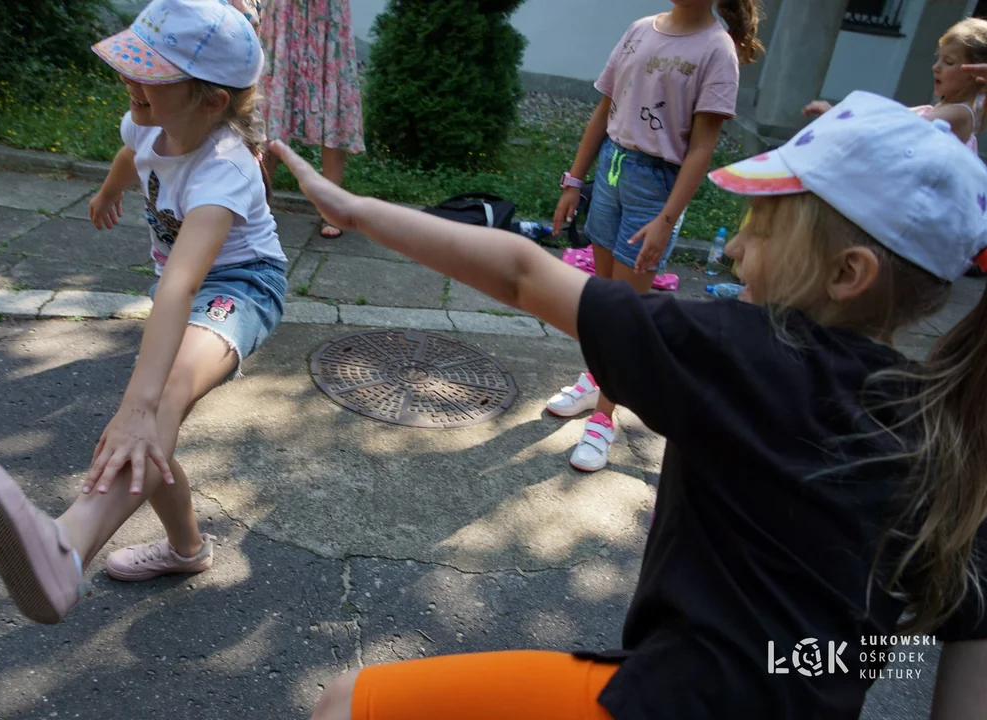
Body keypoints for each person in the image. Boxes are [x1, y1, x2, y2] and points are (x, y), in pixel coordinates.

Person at [271, 90, 987, 719]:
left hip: (669, 699)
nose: (735, 246)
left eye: (762, 230)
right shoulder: (950, 433)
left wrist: (356, 209)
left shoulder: (747, 354)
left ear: (847, 273)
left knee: (347, 705)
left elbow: (525, 275)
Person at [0, 0, 288, 625]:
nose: (131, 81)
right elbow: (134, 154)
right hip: (182, 290)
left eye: (150, 74)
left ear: (211, 101)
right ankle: (188, 549)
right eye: (131, 65)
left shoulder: (226, 169)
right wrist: (108, 191)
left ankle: (67, 546)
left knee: (153, 407)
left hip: (240, 287)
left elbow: (182, 283)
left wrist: (135, 407)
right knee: (155, 432)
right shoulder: (148, 120)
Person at [547, 0, 763, 473]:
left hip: (657, 187)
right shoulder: (639, 29)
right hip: (611, 170)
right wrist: (574, 181)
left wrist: (667, 220)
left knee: (626, 312)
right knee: (602, 300)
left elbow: (703, 147)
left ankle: (604, 417)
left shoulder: (717, 49)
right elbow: (604, 111)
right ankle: (598, 380)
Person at [259, 0, 365, 239]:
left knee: (332, 92)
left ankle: (331, 208)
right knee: (273, 107)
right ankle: (260, 204)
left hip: (327, 10)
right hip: (282, 9)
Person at [804, 17, 987, 150]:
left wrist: (836, 115)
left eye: (948, 62)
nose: (935, 68)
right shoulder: (942, 108)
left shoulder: (959, 113)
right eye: (938, 59)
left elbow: (894, 130)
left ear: (975, 72)